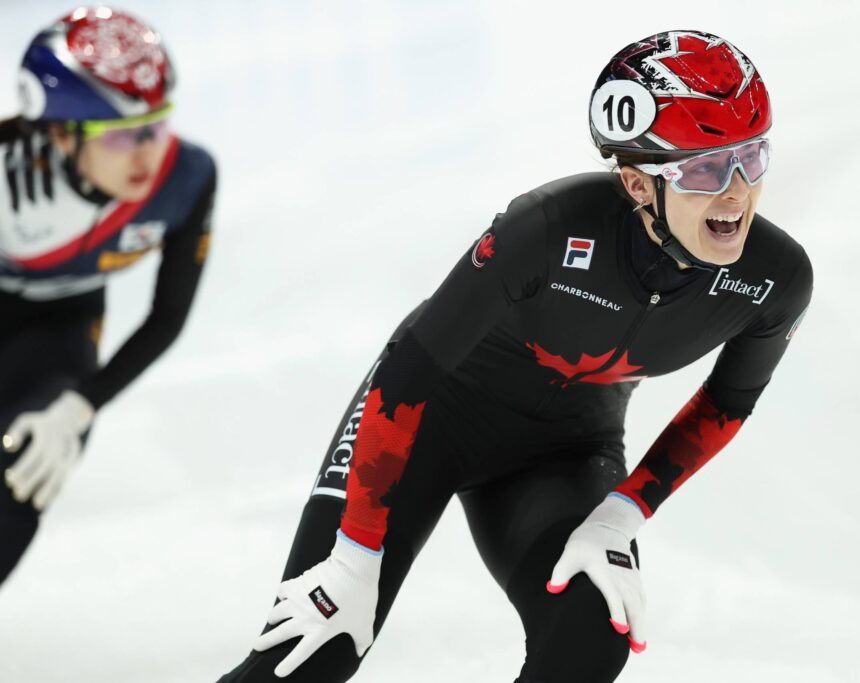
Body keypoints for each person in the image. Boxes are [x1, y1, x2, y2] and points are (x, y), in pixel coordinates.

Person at [219, 30, 811, 683]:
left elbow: (727, 403)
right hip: (423, 423)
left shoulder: (775, 279)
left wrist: (619, 514)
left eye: (750, 158)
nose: (736, 193)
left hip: (561, 455)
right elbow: (410, 371)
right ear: (638, 183)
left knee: (589, 638)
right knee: (305, 655)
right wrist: (356, 555)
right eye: (705, 168)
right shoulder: (549, 228)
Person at [0, 7, 216, 586]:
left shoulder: (187, 178)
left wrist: (81, 405)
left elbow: (167, 318)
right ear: (57, 131)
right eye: (121, 135)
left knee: (29, 460)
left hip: (60, 327)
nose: (147, 154)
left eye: (157, 124)